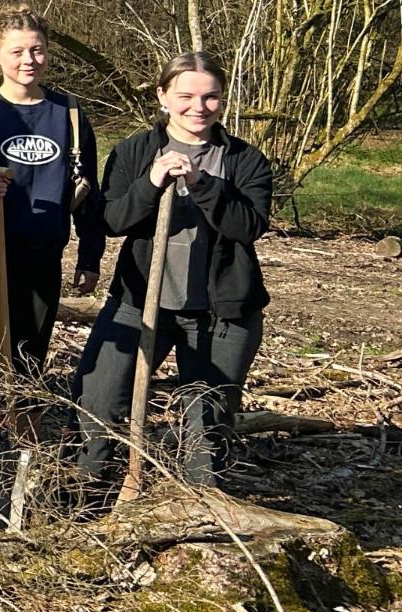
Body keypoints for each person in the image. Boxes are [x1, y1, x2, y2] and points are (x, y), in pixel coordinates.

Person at [72, 51, 273, 490]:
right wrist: (151, 183)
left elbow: (249, 227)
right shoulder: (135, 151)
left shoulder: (244, 160)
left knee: (206, 422)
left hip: (222, 313)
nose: (198, 108)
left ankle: (197, 511)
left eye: (211, 97)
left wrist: (202, 184)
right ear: (163, 96)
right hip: (140, 302)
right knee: (98, 402)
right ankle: (83, 502)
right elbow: (111, 220)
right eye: (186, 96)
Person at [0, 5, 104, 375]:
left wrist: (89, 257)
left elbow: (88, 191)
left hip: (41, 255)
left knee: (28, 360)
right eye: (17, 52)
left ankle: (22, 432)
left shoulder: (68, 114)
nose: (29, 60)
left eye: (37, 50)